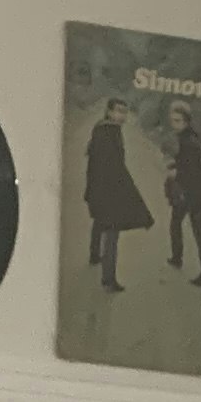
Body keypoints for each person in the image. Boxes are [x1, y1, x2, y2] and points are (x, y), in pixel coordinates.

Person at [84, 96, 153, 292]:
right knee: (112, 233)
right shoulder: (109, 132)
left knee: (100, 220)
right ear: (109, 112)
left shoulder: (101, 128)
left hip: (98, 186)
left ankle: (94, 255)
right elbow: (114, 167)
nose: (122, 116)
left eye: (124, 112)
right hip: (107, 188)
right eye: (118, 111)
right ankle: (108, 279)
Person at [163, 104, 201, 286]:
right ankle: (178, 258)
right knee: (178, 224)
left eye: (178, 121)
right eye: (173, 121)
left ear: (186, 121)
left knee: (197, 232)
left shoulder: (189, 141)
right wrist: (175, 165)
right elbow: (189, 162)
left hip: (193, 194)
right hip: (193, 192)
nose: (174, 124)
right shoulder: (192, 137)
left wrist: (176, 173)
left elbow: (193, 170)